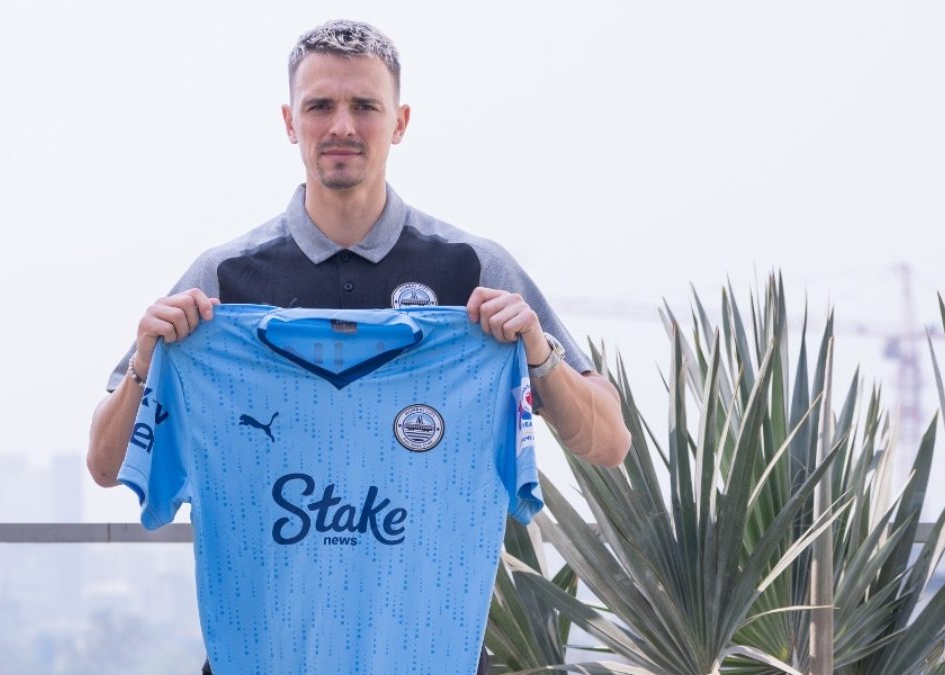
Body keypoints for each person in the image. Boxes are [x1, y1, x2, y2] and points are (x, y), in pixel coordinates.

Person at [87, 19, 631, 675]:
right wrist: (148, 361)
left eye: (364, 106)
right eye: (321, 106)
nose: (341, 125)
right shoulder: (222, 282)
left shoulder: (473, 271)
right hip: (262, 656)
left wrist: (539, 355)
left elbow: (611, 443)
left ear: (398, 122)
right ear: (291, 121)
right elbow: (106, 463)